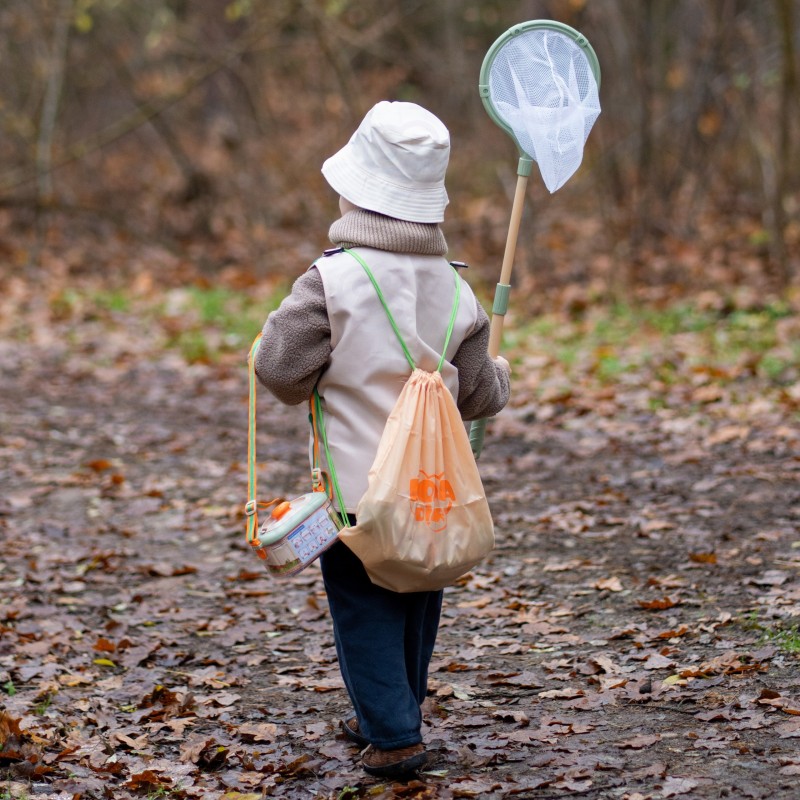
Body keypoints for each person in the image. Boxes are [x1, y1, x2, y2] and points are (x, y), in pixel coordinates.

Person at [254, 100, 510, 779]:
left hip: (355, 491)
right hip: (432, 491)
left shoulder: (332, 279)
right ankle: (388, 709)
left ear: (356, 192)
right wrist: (501, 373)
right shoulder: (460, 292)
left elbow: (280, 371)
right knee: (417, 592)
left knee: (363, 604)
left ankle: (395, 735)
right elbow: (480, 394)